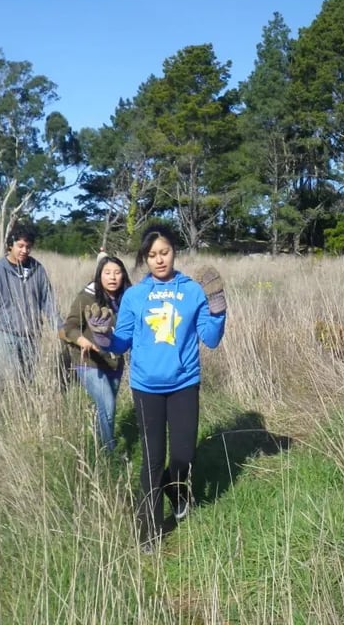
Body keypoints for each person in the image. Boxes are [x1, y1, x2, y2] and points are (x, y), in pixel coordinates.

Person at [105, 223, 227, 551]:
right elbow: (120, 344)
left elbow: (212, 340)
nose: (159, 260)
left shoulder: (192, 290)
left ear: (175, 252)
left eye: (165, 252)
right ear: (145, 258)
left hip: (185, 383)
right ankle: (149, 530)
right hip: (146, 387)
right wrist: (104, 335)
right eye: (152, 255)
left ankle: (177, 488)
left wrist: (218, 310)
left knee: (184, 455)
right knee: (152, 458)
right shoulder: (134, 296)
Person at [0, 226, 60, 383]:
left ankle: (18, 408)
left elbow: (48, 301)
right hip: (4, 333)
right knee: (7, 378)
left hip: (31, 334)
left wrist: (60, 328)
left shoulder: (38, 269)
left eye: (28, 247)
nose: (24, 250)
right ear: (11, 245)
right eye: (20, 246)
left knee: (26, 381)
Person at [61, 254, 132, 454]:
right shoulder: (87, 297)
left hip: (114, 362)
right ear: (99, 275)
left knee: (106, 408)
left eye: (117, 273)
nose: (112, 277)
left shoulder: (126, 299)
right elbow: (69, 327)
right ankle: (108, 453)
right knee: (107, 406)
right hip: (89, 362)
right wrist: (82, 340)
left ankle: (98, 440)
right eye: (107, 273)